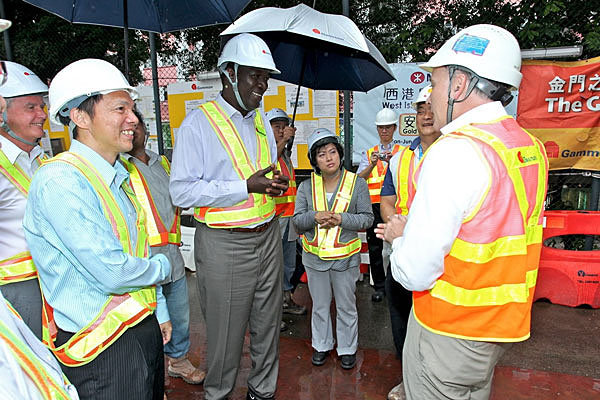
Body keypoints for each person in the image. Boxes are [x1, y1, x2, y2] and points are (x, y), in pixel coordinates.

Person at [376, 24, 549, 399]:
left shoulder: (455, 152)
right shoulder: (528, 147)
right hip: (495, 331)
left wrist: (400, 235)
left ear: (458, 86)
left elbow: (415, 273)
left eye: (435, 85)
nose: (432, 96)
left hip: (448, 332)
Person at [23, 58, 172, 400]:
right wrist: (163, 268)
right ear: (79, 117)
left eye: (132, 108)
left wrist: (159, 309)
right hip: (103, 345)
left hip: (140, 323)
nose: (133, 119)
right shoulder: (61, 181)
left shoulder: (119, 174)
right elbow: (113, 272)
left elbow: (137, 249)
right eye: (120, 108)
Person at [169, 33, 289, 400]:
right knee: (225, 332)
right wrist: (245, 187)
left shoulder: (261, 122)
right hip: (225, 244)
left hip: (267, 235)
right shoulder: (197, 125)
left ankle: (262, 391)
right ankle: (219, 393)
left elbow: (260, 173)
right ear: (228, 74)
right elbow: (182, 191)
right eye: (255, 75)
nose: (263, 85)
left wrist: (273, 183)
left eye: (266, 77)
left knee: (269, 325)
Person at [120, 109, 205, 385]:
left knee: (180, 316)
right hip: (143, 259)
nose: (133, 131)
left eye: (137, 125)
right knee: (149, 322)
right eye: (126, 126)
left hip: (172, 256)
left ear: (145, 130)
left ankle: (178, 361)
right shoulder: (118, 167)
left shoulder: (163, 163)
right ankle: (150, 374)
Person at [378, 85, 441, 400]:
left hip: (442, 258)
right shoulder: (400, 158)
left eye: (431, 107)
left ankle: (434, 384)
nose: (426, 114)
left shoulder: (457, 153)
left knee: (435, 324)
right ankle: (408, 378)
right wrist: (394, 224)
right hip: (401, 252)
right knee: (401, 316)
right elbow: (387, 200)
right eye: (420, 109)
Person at [293, 128, 373, 370]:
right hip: (314, 259)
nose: (329, 158)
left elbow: (367, 219)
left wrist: (341, 219)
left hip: (345, 259)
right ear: (314, 161)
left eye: (332, 152)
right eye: (321, 154)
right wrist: (314, 216)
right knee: (319, 305)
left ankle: (347, 348)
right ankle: (321, 344)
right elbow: (297, 221)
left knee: (347, 306)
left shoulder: (357, 184)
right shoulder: (306, 187)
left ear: (339, 154)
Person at [0, 61, 49, 339]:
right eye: (30, 107)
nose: (41, 114)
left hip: (50, 283)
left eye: (41, 106)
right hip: (15, 292)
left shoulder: (41, 159)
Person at [265, 107, 307, 332]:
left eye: (284, 126)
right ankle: (271, 312)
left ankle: (286, 299)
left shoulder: (286, 157)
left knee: (289, 264)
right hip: (274, 220)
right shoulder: (267, 153)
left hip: (289, 219)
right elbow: (270, 158)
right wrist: (283, 141)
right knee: (274, 267)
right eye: (277, 127)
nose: (282, 131)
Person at [357, 108, 401, 302]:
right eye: (381, 128)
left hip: (395, 206)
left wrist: (394, 163)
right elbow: (359, 179)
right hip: (375, 206)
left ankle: (398, 285)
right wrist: (372, 164)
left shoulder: (402, 153)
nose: (384, 131)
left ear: (394, 128)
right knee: (375, 249)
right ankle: (380, 287)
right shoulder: (369, 154)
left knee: (396, 246)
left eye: (388, 127)